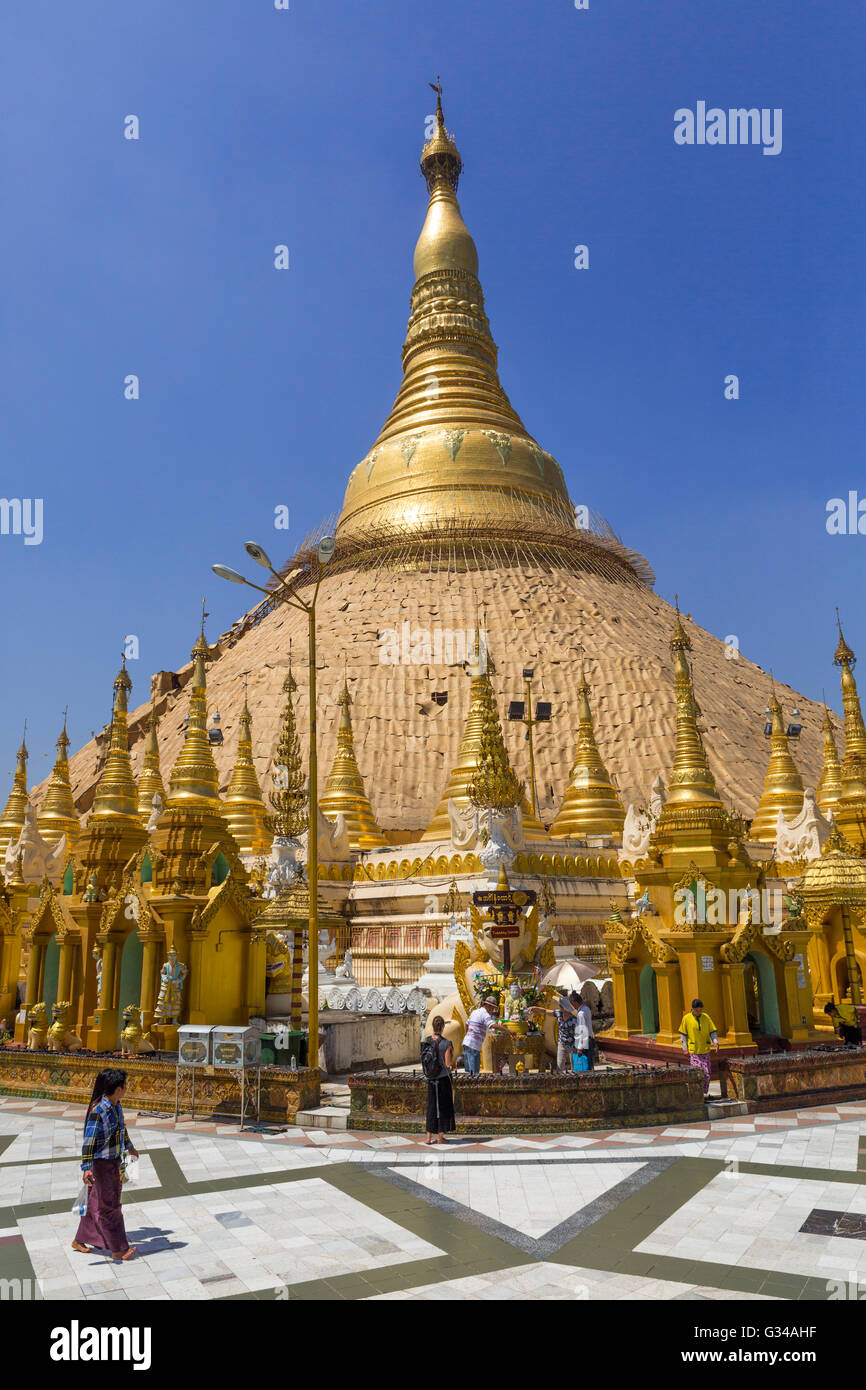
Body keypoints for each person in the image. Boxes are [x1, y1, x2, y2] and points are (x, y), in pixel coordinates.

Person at [72, 1068, 138, 1261]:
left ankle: (80, 1239)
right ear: (118, 1089)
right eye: (125, 1086)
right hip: (101, 1165)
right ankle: (118, 1248)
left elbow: (121, 1130)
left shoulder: (117, 1106)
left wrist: (130, 1148)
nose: (126, 1088)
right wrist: (86, 1169)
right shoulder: (98, 1111)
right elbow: (88, 1142)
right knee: (109, 1206)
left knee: (98, 1201)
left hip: (114, 1162)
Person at [678, 998, 719, 1096]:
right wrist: (684, 1048)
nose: (699, 1012)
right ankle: (697, 1093)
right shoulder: (686, 1018)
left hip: (705, 1049)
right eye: (697, 1010)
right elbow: (683, 1035)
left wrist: (715, 1042)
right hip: (694, 1050)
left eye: (701, 1010)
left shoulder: (706, 1017)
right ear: (692, 1009)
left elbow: (712, 1031)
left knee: (707, 1073)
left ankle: (703, 1093)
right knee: (698, 1072)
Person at [424, 1016, 455, 1145]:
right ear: (443, 1027)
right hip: (443, 1080)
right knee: (442, 1107)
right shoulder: (446, 1043)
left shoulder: (427, 1041)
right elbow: (447, 1064)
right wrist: (452, 1065)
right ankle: (440, 1138)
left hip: (431, 1078)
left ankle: (428, 1138)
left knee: (431, 1107)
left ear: (432, 1026)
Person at [462, 996, 499, 1075]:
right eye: (492, 1008)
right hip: (473, 1045)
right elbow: (493, 1025)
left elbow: (466, 1023)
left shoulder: (475, 1012)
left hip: (467, 1043)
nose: (492, 1011)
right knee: (474, 1074)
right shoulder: (484, 1014)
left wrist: (468, 1035)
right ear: (488, 1006)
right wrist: (508, 1031)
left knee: (471, 1073)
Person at [574, 991, 595, 1070]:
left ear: (575, 1002)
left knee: (585, 1065)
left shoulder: (580, 1014)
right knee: (589, 1063)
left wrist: (579, 1047)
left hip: (584, 1041)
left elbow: (582, 1030)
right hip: (590, 1039)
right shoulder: (586, 1009)